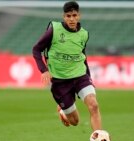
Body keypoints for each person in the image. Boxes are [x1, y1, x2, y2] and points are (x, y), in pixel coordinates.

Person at [32, 1, 102, 131]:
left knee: (93, 105)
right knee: (75, 121)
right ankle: (63, 112)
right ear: (64, 17)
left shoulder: (84, 34)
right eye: (68, 16)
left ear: (79, 16)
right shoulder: (54, 30)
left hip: (80, 76)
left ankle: (98, 137)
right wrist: (44, 70)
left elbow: (83, 56)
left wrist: (89, 78)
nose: (72, 19)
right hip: (60, 82)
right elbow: (36, 50)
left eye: (74, 15)